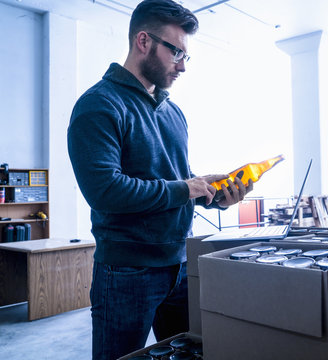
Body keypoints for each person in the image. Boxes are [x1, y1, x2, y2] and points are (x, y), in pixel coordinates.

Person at [67, 1, 252, 359]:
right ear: (143, 41)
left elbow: (171, 181)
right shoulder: (99, 105)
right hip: (126, 272)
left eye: (187, 56)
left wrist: (211, 194)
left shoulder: (172, 111)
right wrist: (187, 188)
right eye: (177, 52)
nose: (182, 65)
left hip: (180, 265)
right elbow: (105, 190)